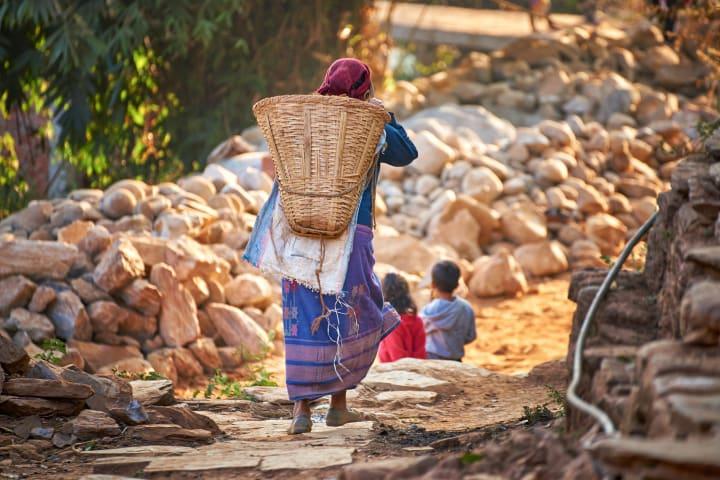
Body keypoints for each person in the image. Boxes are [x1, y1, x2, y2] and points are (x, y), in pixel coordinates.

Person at [246, 58, 418, 434]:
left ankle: (302, 413)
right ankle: (338, 405)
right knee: (353, 311)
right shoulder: (366, 124)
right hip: (349, 233)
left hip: (295, 233)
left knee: (303, 318)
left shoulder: (303, 115)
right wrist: (385, 114)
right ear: (364, 89)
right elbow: (407, 153)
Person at [421, 261, 476, 362]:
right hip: (456, 361)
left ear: (433, 284)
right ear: (457, 284)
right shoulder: (466, 307)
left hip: (430, 360)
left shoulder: (427, 311)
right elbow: (471, 336)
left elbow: (420, 334)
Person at [378, 273, 426, 363]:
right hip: (418, 372)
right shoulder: (418, 321)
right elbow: (421, 355)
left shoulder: (391, 325)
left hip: (394, 374)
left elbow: (398, 361)